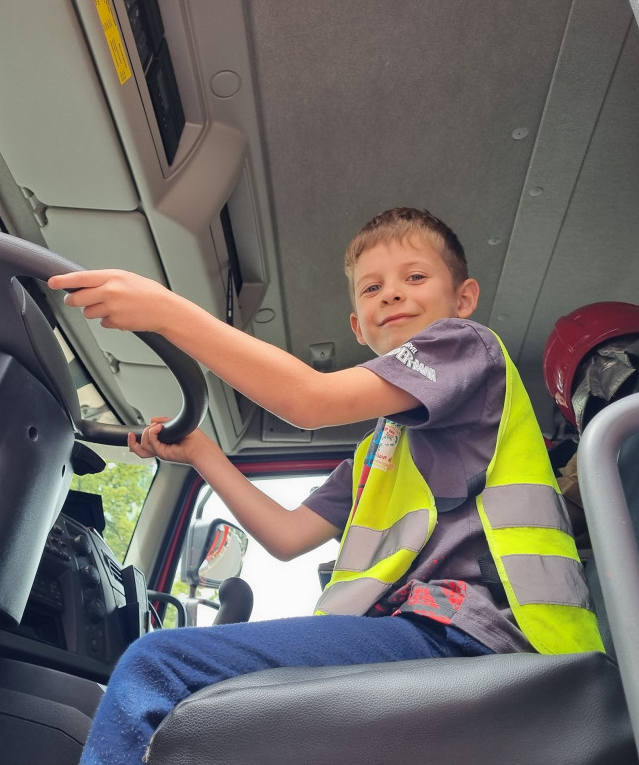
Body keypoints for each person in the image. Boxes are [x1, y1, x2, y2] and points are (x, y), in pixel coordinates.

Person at [49, 207, 603, 765]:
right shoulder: (378, 452)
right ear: (358, 326)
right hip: (425, 630)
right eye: (372, 287)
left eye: (415, 278)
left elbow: (308, 401)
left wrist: (166, 312)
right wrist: (201, 452)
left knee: (157, 666)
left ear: (462, 299)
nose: (392, 295)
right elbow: (287, 536)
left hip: (483, 631)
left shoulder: (467, 347)